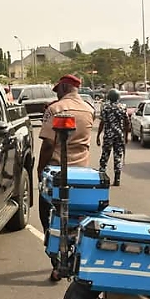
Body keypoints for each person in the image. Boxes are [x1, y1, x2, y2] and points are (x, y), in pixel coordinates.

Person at [37, 74, 95, 281]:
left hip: (57, 174)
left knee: (50, 219)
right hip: (83, 175)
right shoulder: (89, 110)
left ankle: (57, 263)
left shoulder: (55, 109)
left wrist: (39, 170)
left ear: (62, 87)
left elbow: (48, 145)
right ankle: (76, 260)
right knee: (79, 220)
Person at [96, 89, 128, 186]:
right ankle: (117, 179)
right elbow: (127, 123)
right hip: (119, 135)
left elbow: (102, 123)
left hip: (108, 135)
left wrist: (98, 136)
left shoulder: (105, 107)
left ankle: (102, 178)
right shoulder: (122, 107)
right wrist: (126, 136)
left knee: (105, 156)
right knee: (117, 157)